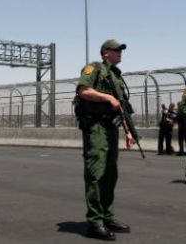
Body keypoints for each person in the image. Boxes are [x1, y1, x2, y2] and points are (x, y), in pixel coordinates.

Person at [76, 39, 135, 241]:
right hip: (96, 128)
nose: (120, 53)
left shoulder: (116, 75)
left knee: (111, 174)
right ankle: (95, 222)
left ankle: (107, 217)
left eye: (120, 50)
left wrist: (127, 132)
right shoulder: (94, 68)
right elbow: (84, 91)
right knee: (96, 173)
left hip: (111, 128)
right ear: (105, 53)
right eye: (116, 50)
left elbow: (120, 107)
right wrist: (107, 98)